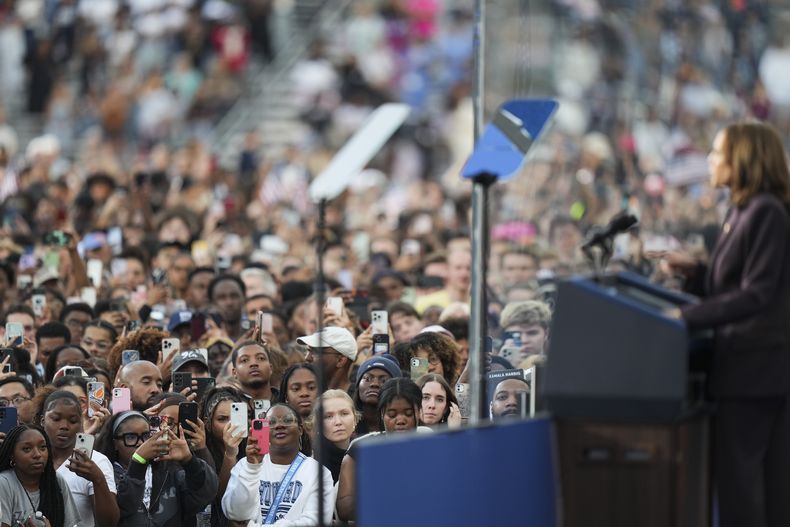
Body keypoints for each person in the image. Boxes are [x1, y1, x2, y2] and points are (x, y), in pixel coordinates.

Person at [661, 122, 790, 527]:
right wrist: (695, 271)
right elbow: (729, 284)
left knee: (744, 485)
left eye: (718, 152)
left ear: (744, 159)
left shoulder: (767, 210)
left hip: (757, 370)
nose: (711, 160)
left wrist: (685, 315)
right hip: (744, 367)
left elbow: (757, 293)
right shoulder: (741, 209)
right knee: (745, 483)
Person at [95, 410, 218, 527]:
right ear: (115, 443)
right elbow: (124, 509)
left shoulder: (169, 471)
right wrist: (138, 464)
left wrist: (189, 461)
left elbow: (206, 494)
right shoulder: (105, 474)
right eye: (131, 437)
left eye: (146, 436)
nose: (140, 443)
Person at [222, 403, 334, 526]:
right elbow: (235, 514)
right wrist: (252, 468)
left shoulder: (318, 472)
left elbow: (314, 522)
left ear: (300, 430)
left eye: (287, 420)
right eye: (271, 422)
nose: (279, 425)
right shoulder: (245, 465)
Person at [337, 378, 424, 522]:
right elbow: (344, 509)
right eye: (392, 414)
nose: (400, 420)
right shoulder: (361, 450)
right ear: (382, 413)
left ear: (419, 412)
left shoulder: (432, 446)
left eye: (408, 413)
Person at [40, 391, 119, 527]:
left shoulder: (96, 461)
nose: (64, 426)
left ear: (81, 424)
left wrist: (97, 479)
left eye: (73, 421)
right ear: (42, 421)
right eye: (56, 419)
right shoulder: (31, 459)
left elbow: (109, 522)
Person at [0, 424, 81, 527]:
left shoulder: (56, 480)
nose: (38, 454)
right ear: (12, 455)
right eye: (27, 449)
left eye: (43, 447)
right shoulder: (4, 483)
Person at [200, 386, 247, 527]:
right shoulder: (200, 451)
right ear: (208, 423)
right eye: (222, 419)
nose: (230, 425)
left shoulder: (251, 446)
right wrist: (230, 453)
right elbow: (221, 497)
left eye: (236, 417)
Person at [312, 390, 359, 483]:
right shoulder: (312, 462)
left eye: (344, 414)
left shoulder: (363, 452)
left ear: (355, 419)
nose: (338, 422)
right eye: (328, 416)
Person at [351, 356, 402, 436]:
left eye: (384, 380)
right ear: (358, 385)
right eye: (367, 378)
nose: (374, 384)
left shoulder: (402, 425)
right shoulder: (347, 424)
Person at [297, 327, 357, 393]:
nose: (307, 358)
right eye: (308, 351)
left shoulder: (359, 398)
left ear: (340, 360)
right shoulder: (307, 397)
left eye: (316, 352)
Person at [208, 275, 247, 341]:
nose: (229, 303)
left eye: (234, 296)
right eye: (222, 297)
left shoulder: (256, 334)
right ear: (212, 303)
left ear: (244, 298)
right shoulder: (205, 339)